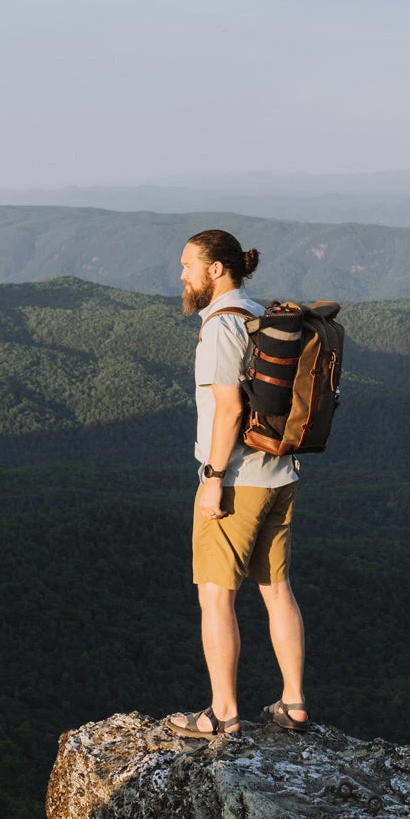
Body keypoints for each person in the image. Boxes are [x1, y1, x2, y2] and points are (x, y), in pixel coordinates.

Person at [166, 229, 309, 738]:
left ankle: (222, 714)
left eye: (188, 265)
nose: (181, 274)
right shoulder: (257, 313)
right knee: (276, 588)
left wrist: (213, 478)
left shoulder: (221, 327)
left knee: (215, 595)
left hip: (238, 483)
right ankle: (292, 703)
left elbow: (229, 409)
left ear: (216, 269)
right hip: (280, 475)